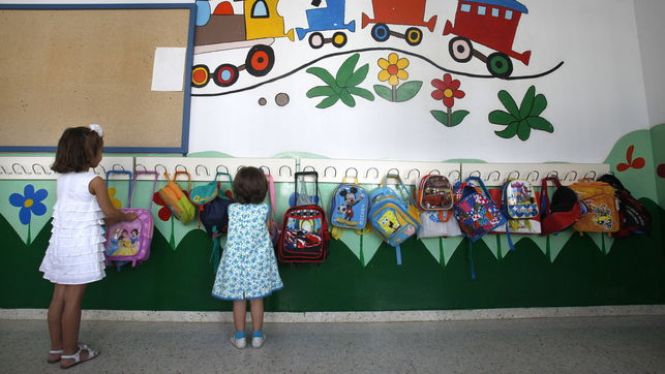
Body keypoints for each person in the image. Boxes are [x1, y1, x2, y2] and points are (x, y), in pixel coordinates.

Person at [40, 124, 136, 369]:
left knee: (58, 297)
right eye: (100, 151)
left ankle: (56, 348)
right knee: (74, 301)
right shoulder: (95, 181)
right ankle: (71, 354)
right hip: (80, 247)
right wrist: (128, 217)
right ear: (88, 155)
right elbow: (110, 214)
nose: (101, 155)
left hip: (60, 244)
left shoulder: (62, 179)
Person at [211, 166, 283, 349]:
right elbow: (267, 230)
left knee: (239, 300)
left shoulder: (232, 209)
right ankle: (258, 337)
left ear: (237, 190)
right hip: (257, 265)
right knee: (257, 300)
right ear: (262, 191)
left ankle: (240, 337)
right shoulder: (264, 210)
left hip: (236, 265)